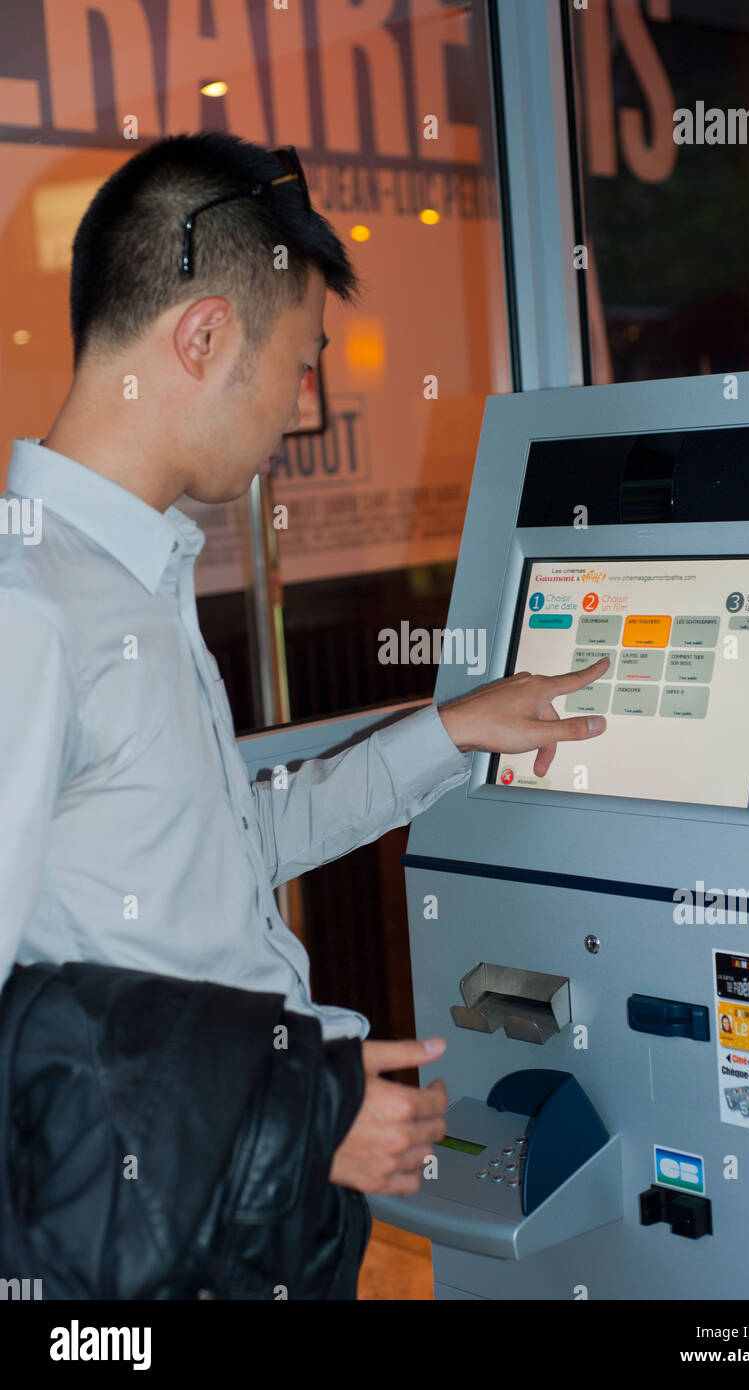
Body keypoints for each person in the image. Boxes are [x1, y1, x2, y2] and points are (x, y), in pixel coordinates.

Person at [0, 131, 609, 1207]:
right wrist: (290, 1113)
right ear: (203, 336)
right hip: (161, 1232)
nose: (300, 402)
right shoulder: (32, 608)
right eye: (299, 362)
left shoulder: (132, 576)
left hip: (243, 1203)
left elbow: (224, 850)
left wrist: (453, 730)